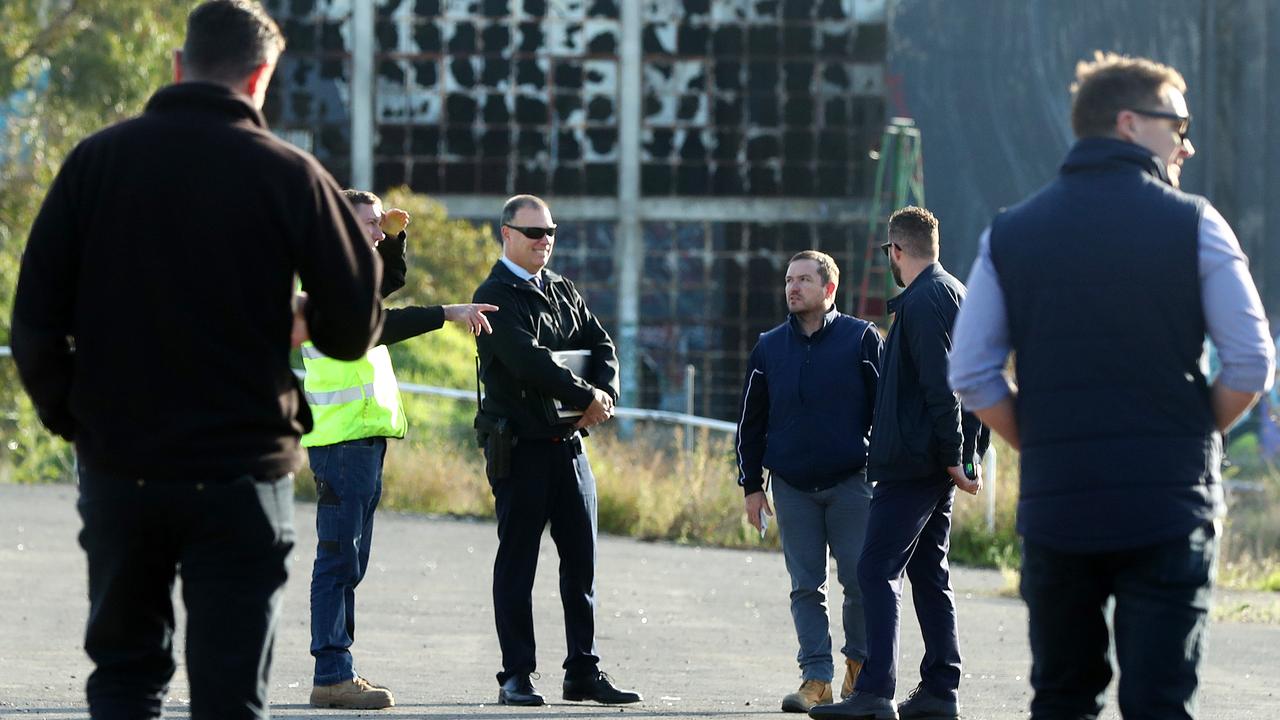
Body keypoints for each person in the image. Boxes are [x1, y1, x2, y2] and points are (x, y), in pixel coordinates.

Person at [9, 2, 384, 718]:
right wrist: (302, 321)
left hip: (124, 466)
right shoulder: (291, 175)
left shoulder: (96, 163)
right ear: (261, 76)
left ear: (178, 65)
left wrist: (79, 422)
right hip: (241, 471)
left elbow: (32, 325)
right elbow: (351, 329)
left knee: (124, 679)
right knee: (230, 693)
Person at [948, 52, 1274, 720]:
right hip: (1167, 508)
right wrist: (1185, 431)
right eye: (1178, 123)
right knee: (1161, 701)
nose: (1188, 141)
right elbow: (1250, 362)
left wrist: (1038, 440)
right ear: (1129, 123)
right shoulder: (1195, 223)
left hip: (1059, 506)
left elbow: (971, 374)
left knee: (1063, 698)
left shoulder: (1010, 233)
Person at [303, 190, 497, 709]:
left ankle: (337, 669)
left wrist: (393, 239)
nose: (374, 232)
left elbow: (386, 284)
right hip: (342, 439)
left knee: (351, 560)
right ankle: (332, 673)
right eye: (366, 225)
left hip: (360, 438)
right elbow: (378, 323)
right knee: (338, 559)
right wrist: (446, 312)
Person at [812, 206, 987, 720]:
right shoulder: (956, 293)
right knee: (930, 573)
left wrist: (957, 456)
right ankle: (939, 690)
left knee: (875, 568)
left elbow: (941, 384)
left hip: (914, 464)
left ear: (895, 251)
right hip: (933, 461)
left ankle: (874, 692)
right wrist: (968, 454)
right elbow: (979, 379)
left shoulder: (925, 300)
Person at [472, 194, 641, 707]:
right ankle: (516, 675)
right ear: (507, 234)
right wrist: (584, 395)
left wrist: (604, 394)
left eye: (550, 232)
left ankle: (582, 671)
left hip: (568, 446)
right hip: (521, 449)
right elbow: (529, 361)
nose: (544, 241)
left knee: (582, 563)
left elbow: (602, 343)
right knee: (518, 563)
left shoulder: (562, 288)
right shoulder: (494, 294)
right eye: (533, 232)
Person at [735, 250, 882, 713]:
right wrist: (751, 486)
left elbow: (886, 412)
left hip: (851, 484)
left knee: (859, 581)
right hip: (792, 487)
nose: (792, 287)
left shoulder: (861, 339)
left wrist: (883, 473)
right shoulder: (769, 346)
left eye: (803, 280)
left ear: (828, 288)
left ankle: (857, 668)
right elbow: (750, 423)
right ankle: (815, 677)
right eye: (788, 280)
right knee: (805, 586)